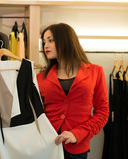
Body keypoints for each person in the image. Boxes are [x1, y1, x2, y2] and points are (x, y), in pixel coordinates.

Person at [37, 23, 109, 159]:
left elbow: (103, 112)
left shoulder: (95, 72)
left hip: (77, 146)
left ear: (66, 40)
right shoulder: (40, 78)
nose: (46, 45)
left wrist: (78, 134)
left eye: (51, 40)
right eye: (44, 41)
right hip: (47, 145)